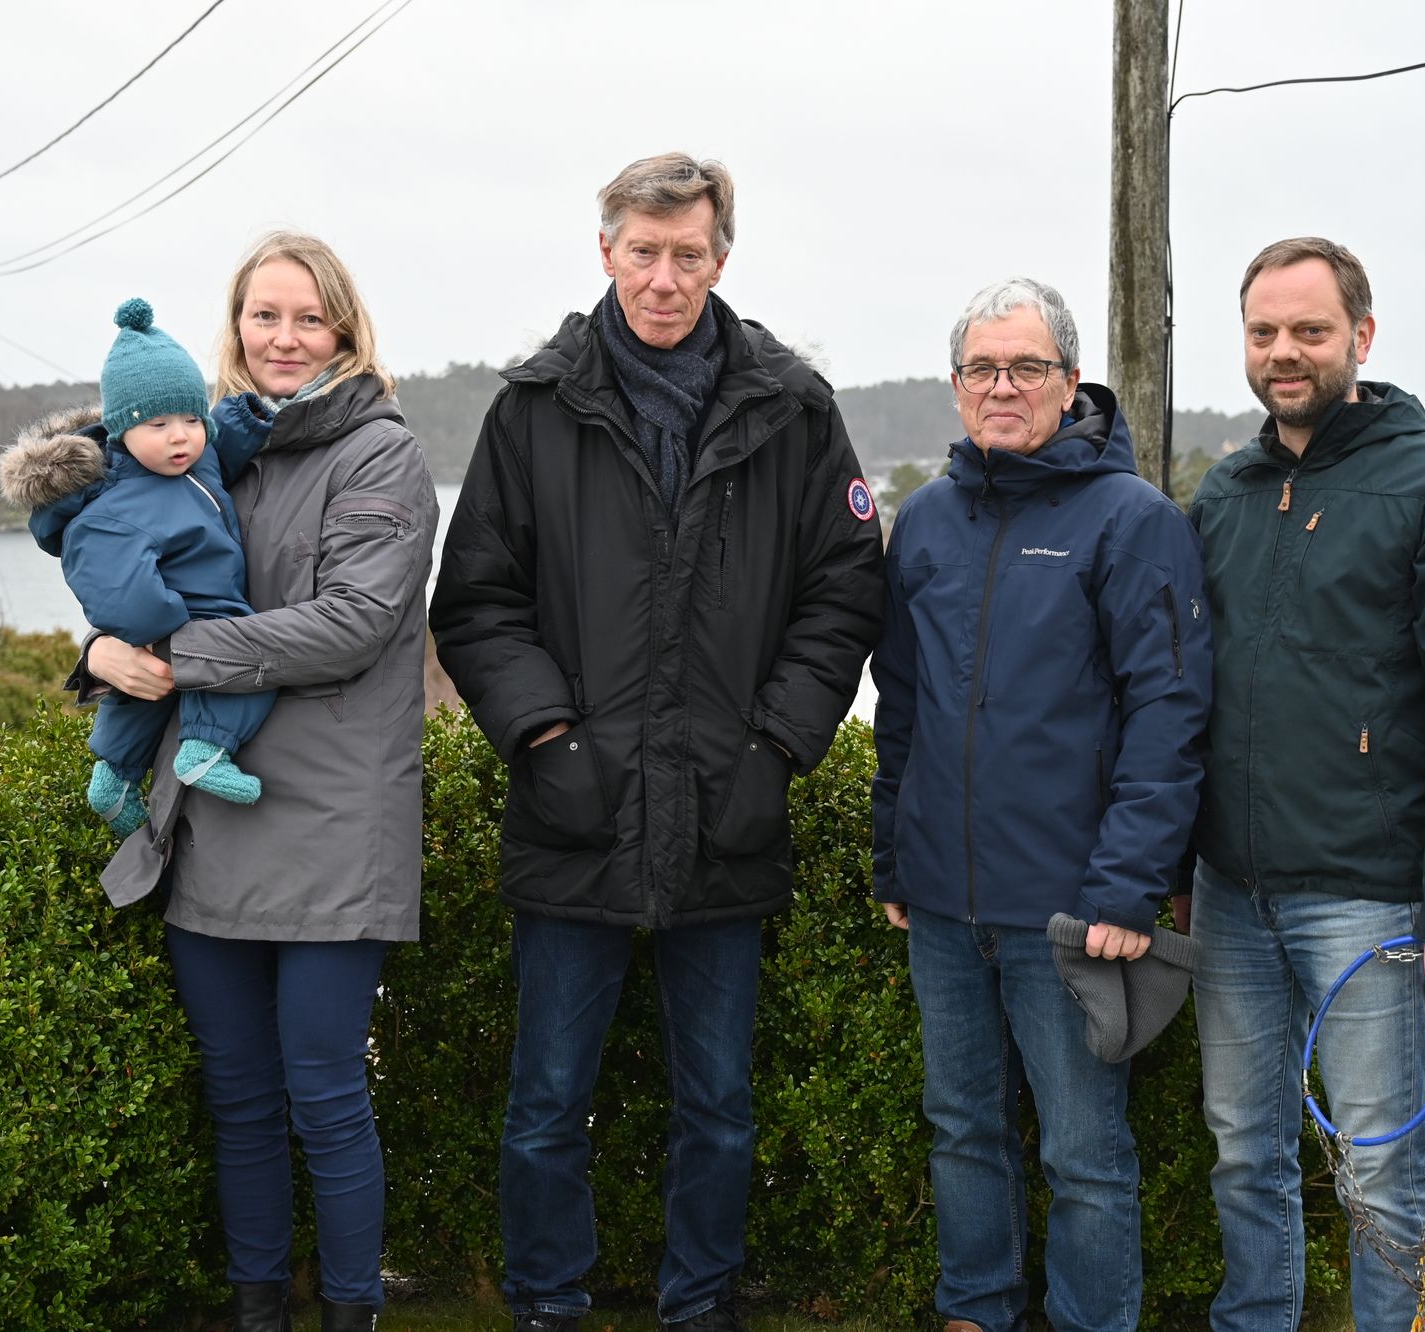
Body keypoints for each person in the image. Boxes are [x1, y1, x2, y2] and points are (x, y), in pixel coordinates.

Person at [429, 152, 884, 1332]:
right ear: (604, 251)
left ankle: (699, 1304)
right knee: (542, 1101)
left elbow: (843, 596)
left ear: (720, 258)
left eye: (688, 255)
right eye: (644, 252)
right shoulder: (532, 407)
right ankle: (544, 1302)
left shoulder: (793, 409)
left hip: (725, 817)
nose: (665, 277)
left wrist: (773, 750)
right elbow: (475, 599)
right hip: (569, 811)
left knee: (720, 1103)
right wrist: (543, 733)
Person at [62, 232, 437, 1332]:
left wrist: (179, 660)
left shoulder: (377, 453)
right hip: (209, 816)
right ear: (234, 328)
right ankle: (258, 1310)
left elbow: (358, 624)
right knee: (239, 1101)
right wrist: (91, 655)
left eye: (306, 318)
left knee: (324, 1097)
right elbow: (124, 560)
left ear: (343, 330)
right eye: (262, 316)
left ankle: (353, 1314)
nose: (283, 338)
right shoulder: (206, 448)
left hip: (330, 821)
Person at [1184, 237, 1425, 1332]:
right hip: (1230, 891)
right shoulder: (1224, 493)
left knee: (1378, 1171)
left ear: (1360, 339)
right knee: (1244, 1152)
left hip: (1367, 897)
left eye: (1308, 331)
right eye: (1263, 332)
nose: (1283, 353)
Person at [870, 277, 1213, 1332]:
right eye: (981, 368)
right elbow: (903, 705)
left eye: (1025, 367)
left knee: (1082, 1152)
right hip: (940, 901)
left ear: (1070, 382)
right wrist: (893, 860)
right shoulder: (924, 519)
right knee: (960, 1126)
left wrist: (1126, 891)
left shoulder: (1132, 521)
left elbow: (1167, 715)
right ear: (956, 385)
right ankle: (974, 1310)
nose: (1002, 387)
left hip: (1069, 910)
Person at [0, 297, 272, 835]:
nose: (180, 436)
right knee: (246, 668)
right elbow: (111, 580)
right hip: (189, 615)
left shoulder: (194, 458)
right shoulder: (116, 505)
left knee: (138, 700)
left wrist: (245, 419)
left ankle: (114, 780)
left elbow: (219, 452)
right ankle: (206, 750)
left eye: (192, 418)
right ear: (121, 430)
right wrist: (160, 626)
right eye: (159, 424)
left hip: (178, 620)